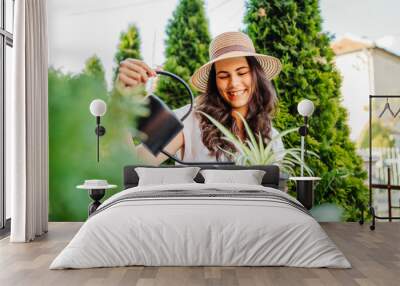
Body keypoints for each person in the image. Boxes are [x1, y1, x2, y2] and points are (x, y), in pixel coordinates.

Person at [117, 31, 284, 165]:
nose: (234, 83)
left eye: (242, 73)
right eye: (224, 75)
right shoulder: (188, 119)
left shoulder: (271, 136)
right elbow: (133, 165)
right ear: (214, 82)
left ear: (256, 75)